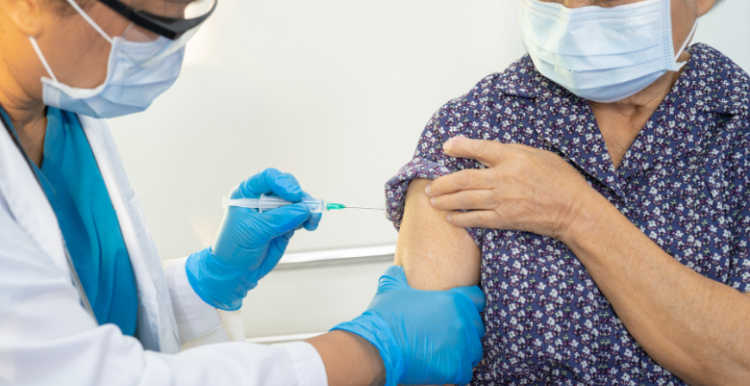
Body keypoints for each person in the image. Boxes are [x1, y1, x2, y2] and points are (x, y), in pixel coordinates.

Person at [0, 0, 486, 385]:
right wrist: (369, 350)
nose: (167, 53)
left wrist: (207, 278)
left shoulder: (63, 108)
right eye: (152, 21)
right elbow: (85, 373)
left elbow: (90, 307)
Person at [385, 0, 750, 385]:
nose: (574, 7)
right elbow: (423, 353)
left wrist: (578, 215)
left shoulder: (738, 133)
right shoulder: (474, 128)